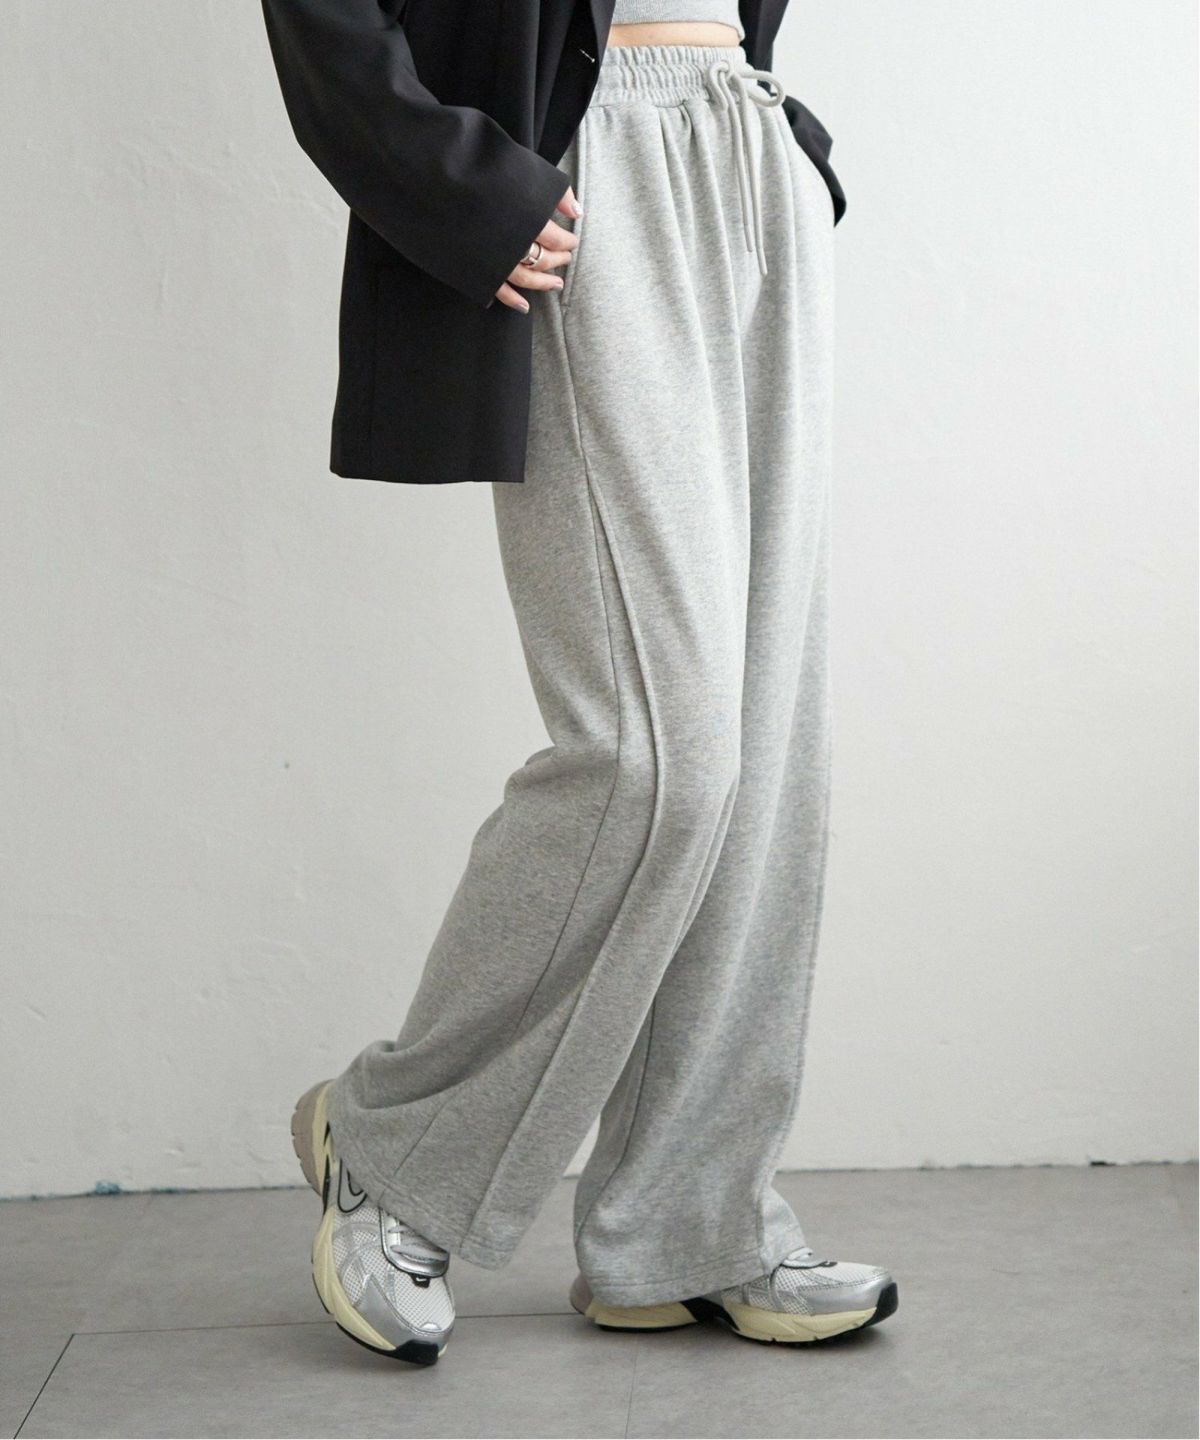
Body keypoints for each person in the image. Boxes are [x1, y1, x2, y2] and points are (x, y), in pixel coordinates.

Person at [262, 0, 897, 1367]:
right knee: (659, 756)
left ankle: (689, 1221)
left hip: (744, 143)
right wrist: (453, 180)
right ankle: (396, 1145)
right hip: (583, 164)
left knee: (766, 753)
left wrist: (776, 137)